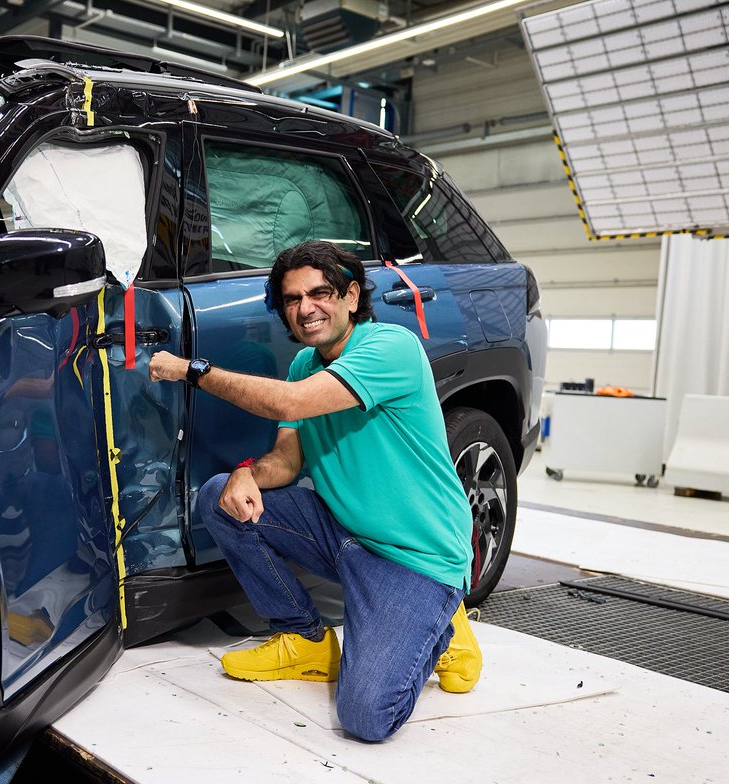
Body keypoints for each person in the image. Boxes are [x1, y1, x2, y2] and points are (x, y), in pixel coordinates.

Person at [148, 240, 482, 742]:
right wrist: (246, 472)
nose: (305, 308)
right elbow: (285, 460)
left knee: (367, 718)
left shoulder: (390, 347)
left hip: (415, 555)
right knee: (221, 496)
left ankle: (444, 624)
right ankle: (304, 637)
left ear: (351, 296)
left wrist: (193, 370)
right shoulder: (304, 363)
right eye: (291, 299)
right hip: (344, 532)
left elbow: (291, 403)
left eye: (319, 293)